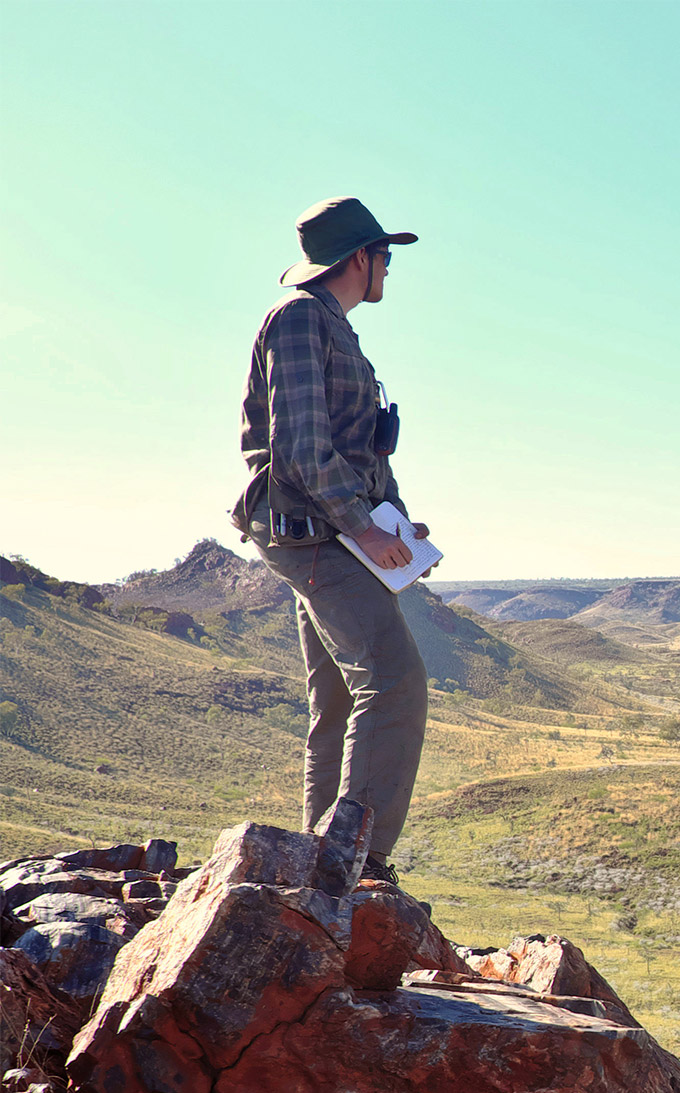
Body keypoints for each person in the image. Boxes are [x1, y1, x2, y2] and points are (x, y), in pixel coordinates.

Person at [231, 196, 435, 886]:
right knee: (395, 679)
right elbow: (303, 445)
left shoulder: (333, 327)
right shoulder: (297, 320)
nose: (388, 269)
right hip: (312, 533)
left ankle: (317, 859)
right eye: (384, 256)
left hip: (331, 529)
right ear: (357, 258)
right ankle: (356, 860)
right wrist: (361, 527)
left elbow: (358, 448)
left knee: (340, 702)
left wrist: (398, 523)